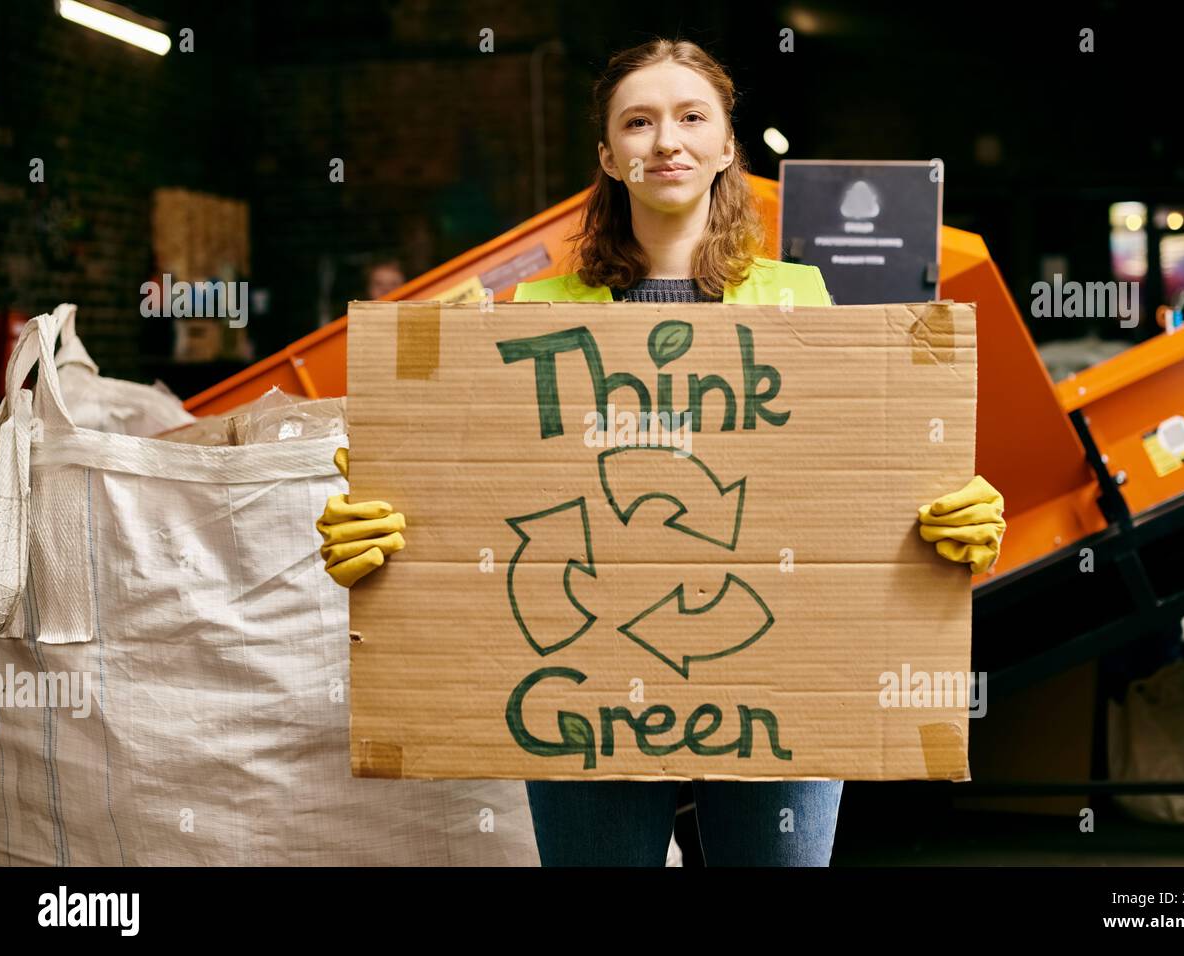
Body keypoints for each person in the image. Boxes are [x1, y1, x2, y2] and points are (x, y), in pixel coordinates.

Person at [314, 38, 1006, 866]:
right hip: (582, 668)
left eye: (691, 118)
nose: (666, 141)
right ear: (609, 157)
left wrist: (949, 516)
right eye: (638, 123)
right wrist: (389, 522)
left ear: (725, 148)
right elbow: (484, 495)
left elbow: (850, 486)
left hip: (778, 669)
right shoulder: (532, 312)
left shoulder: (803, 300)